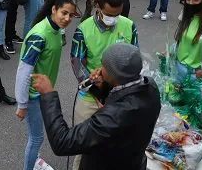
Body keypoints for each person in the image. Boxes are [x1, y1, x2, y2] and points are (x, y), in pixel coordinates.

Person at [32, 43, 161, 170]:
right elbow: (123, 99)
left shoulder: (112, 117)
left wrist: (48, 95)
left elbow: (62, 142)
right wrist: (102, 87)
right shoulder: (150, 87)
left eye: (103, 65)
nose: (100, 68)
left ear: (113, 73)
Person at [70, 0, 139, 168]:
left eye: (117, 15)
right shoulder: (83, 29)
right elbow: (77, 63)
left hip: (119, 96)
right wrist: (98, 91)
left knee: (115, 147)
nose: (113, 19)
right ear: (98, 8)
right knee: (83, 147)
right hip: (91, 95)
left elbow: (133, 61)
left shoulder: (129, 26)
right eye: (109, 15)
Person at [14, 0, 78, 170]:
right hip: (33, 95)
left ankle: (35, 161)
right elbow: (23, 70)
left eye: (71, 15)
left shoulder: (56, 29)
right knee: (36, 137)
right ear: (53, 9)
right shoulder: (39, 35)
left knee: (36, 136)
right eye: (64, 13)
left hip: (42, 92)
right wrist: (22, 103)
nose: (67, 18)